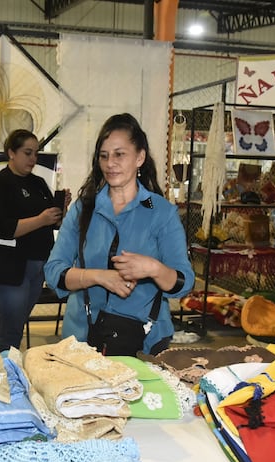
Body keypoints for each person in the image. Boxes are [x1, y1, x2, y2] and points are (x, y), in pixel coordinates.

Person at [44, 113, 194, 355]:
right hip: (81, 338)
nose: (110, 163)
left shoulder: (161, 212)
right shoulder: (83, 209)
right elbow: (53, 272)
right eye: (104, 156)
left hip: (143, 341)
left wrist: (153, 268)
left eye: (119, 154)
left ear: (140, 157)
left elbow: (184, 283)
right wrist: (99, 277)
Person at [0, 129, 70, 351]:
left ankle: (7, 365)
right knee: (11, 330)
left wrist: (61, 210)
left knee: (16, 326)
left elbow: (54, 223)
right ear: (11, 152)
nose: (33, 159)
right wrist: (41, 219)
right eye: (27, 153)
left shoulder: (38, 183)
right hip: (9, 269)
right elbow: (2, 228)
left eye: (36, 154)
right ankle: (4, 367)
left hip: (37, 266)